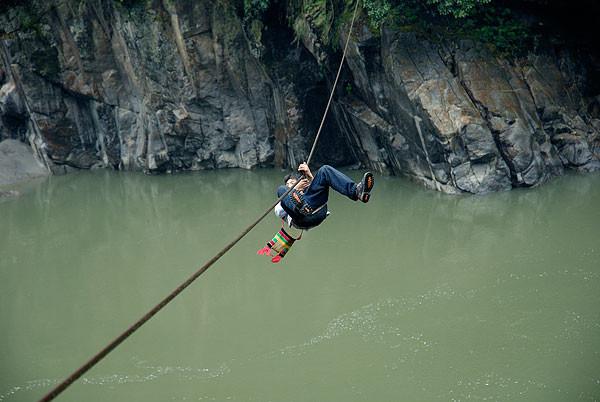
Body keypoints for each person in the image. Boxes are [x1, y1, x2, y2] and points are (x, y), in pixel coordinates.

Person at [257, 163, 374, 263]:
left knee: (325, 170)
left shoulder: (308, 190)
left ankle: (357, 192)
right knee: (281, 190)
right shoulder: (286, 196)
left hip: (317, 209)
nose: (291, 185)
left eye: (293, 182)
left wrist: (309, 177)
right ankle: (301, 206)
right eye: (290, 184)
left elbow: (318, 188)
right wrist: (294, 189)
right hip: (301, 218)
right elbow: (278, 211)